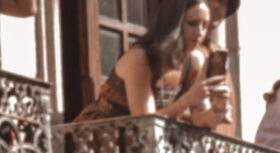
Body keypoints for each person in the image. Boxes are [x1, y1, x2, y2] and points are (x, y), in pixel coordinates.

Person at [73, 0, 231, 126]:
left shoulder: (195, 60)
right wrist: (189, 99)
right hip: (103, 140)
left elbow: (199, 119)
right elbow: (144, 122)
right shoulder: (140, 58)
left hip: (144, 146)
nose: (200, 32)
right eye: (192, 23)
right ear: (173, 22)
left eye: (205, 26)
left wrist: (219, 109)